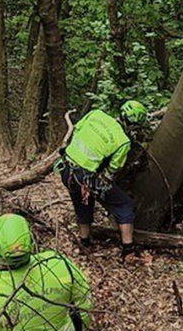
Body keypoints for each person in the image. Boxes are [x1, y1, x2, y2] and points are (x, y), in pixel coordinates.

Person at [56, 100, 150, 262]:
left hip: (65, 169)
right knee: (124, 204)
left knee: (83, 201)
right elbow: (114, 169)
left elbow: (76, 130)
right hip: (85, 178)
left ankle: (84, 242)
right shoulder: (123, 141)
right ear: (134, 125)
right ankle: (128, 249)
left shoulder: (96, 114)